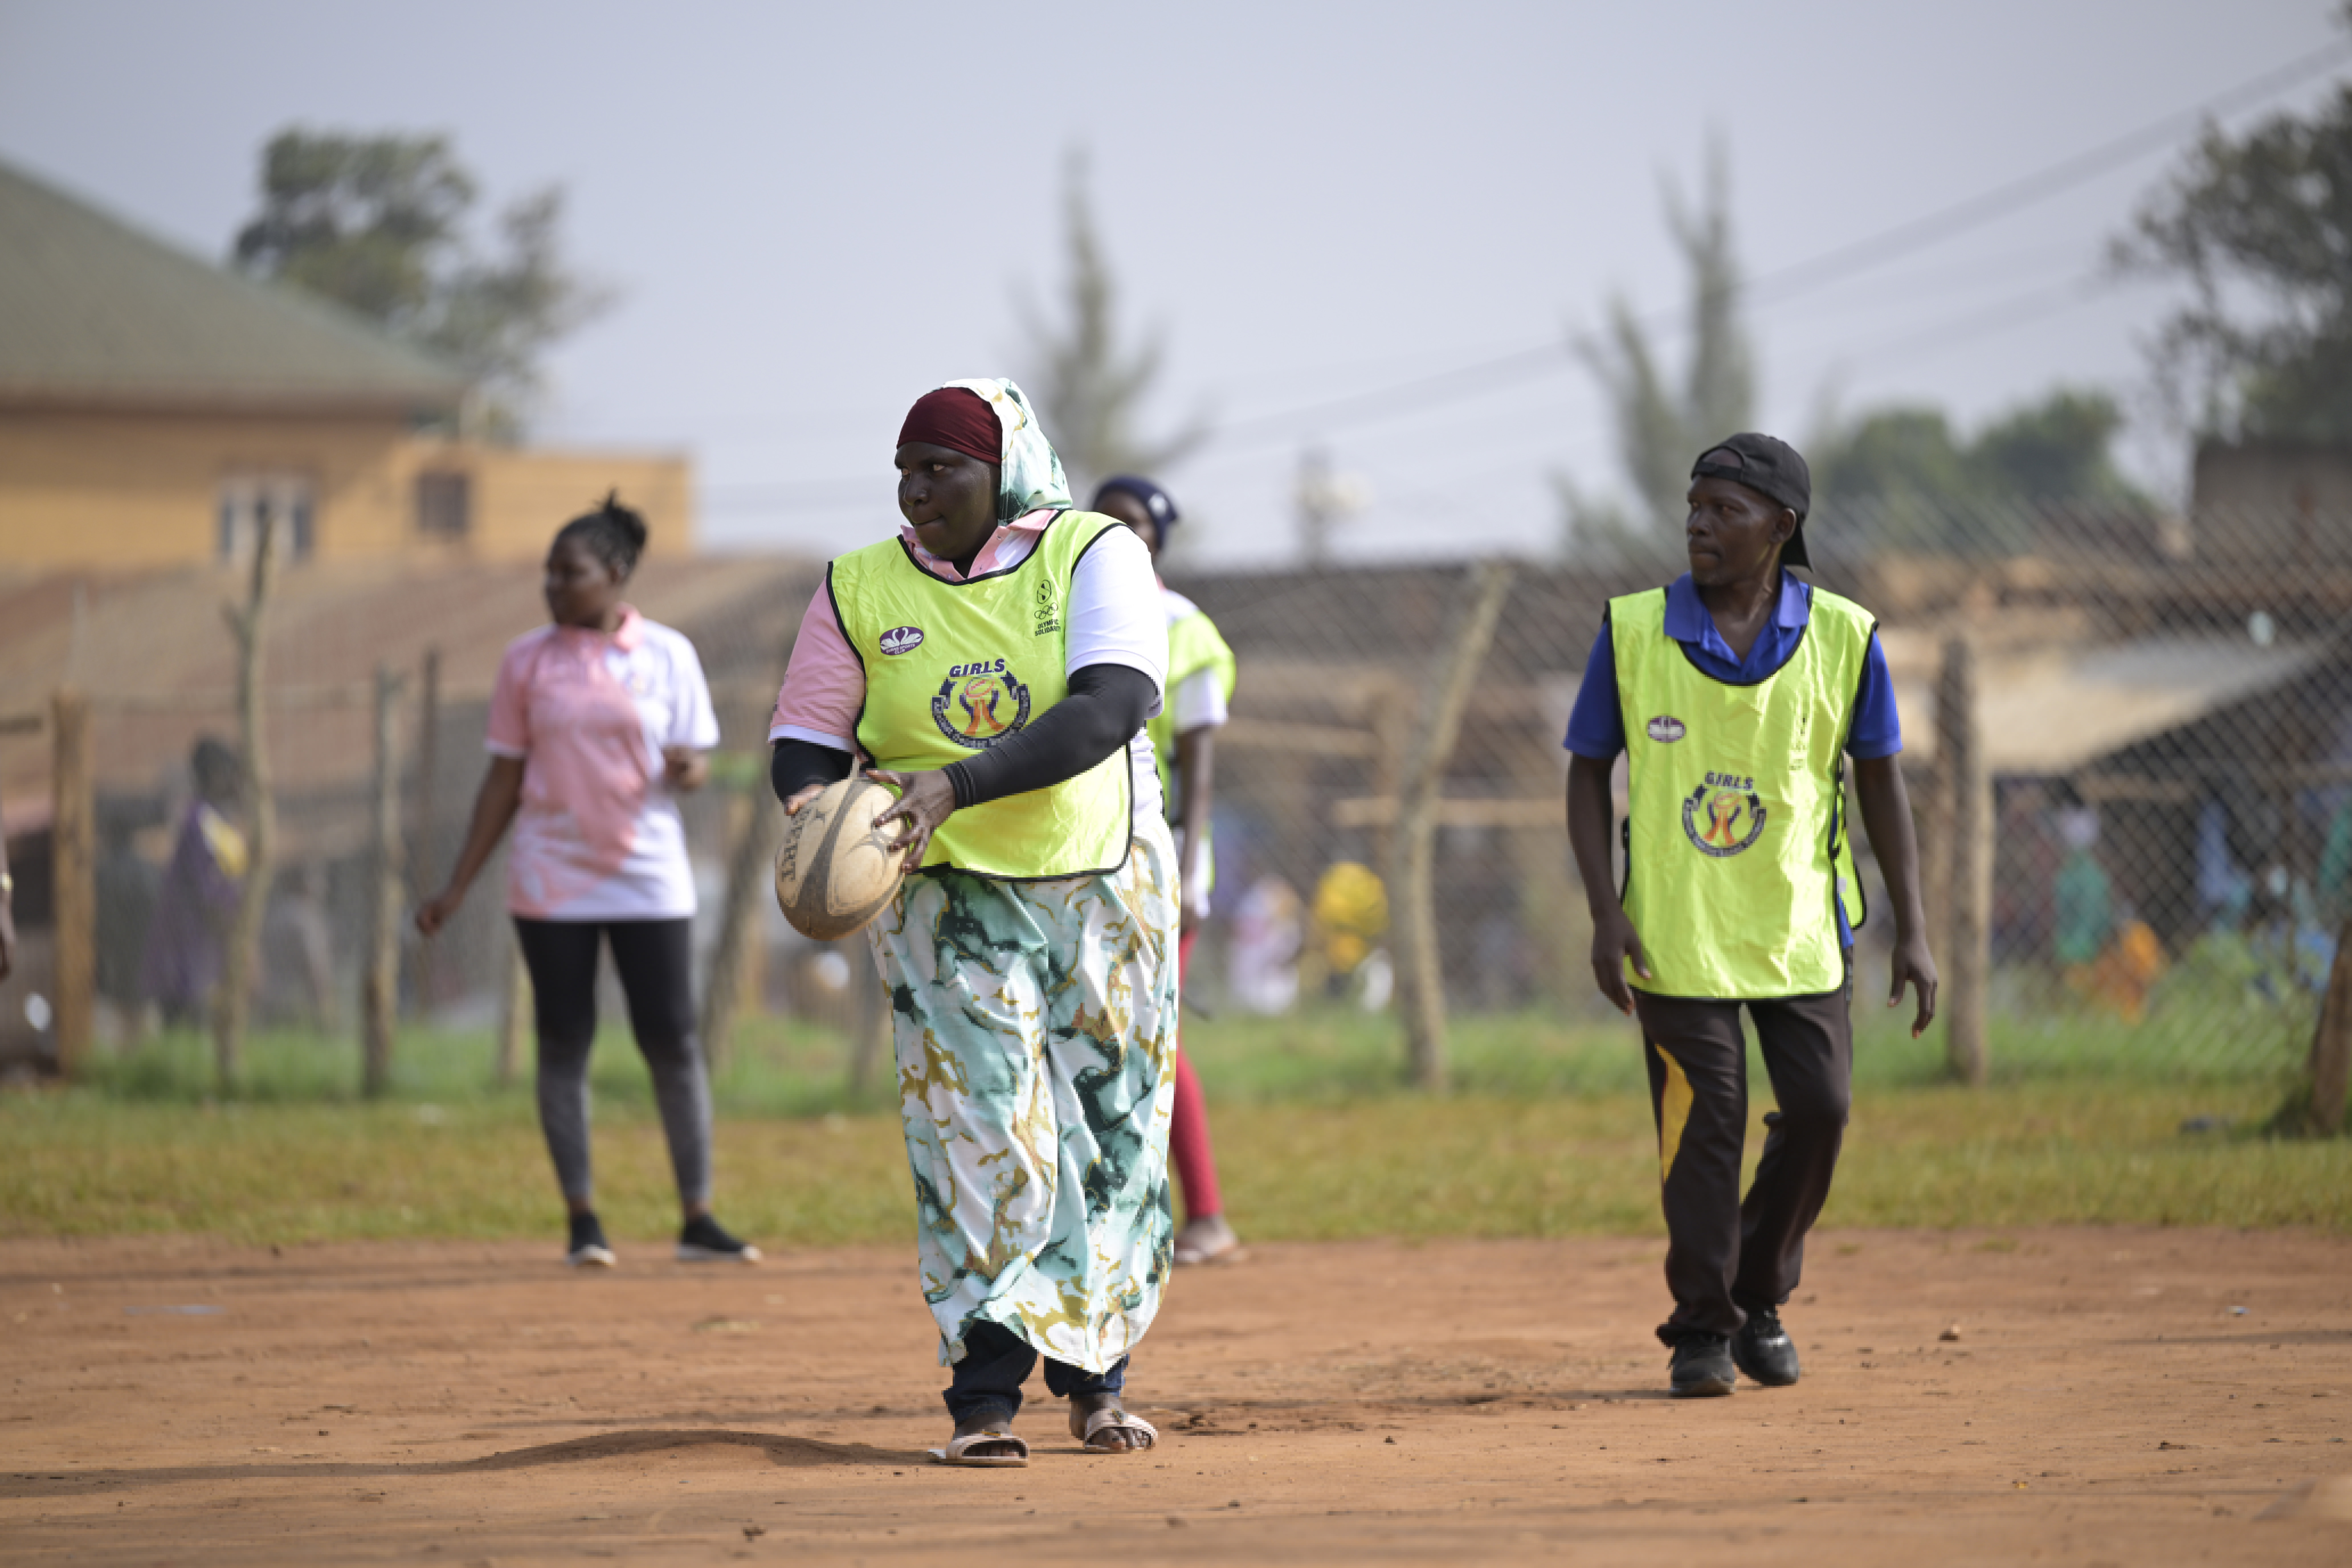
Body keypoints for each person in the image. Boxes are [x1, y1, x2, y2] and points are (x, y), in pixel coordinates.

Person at [768, 379, 1174, 1466]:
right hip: (946, 897)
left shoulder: (1093, 554)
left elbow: (1112, 704)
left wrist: (956, 780)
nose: (915, 488)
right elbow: (805, 741)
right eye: (903, 468)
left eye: (939, 466)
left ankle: (1098, 1385)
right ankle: (985, 1397)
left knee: (1106, 1128)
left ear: (1004, 470)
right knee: (977, 1130)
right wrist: (823, 819)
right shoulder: (856, 584)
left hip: (1097, 882)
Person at [1562, 433, 1936, 1399]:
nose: (1698, 524)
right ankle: (1701, 1328)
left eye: (1722, 510)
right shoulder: (1636, 628)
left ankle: (1758, 1292)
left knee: (1820, 1110)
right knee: (1706, 1125)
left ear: (1781, 526)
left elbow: (1883, 782)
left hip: (1800, 928)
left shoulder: (1846, 636)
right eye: (1691, 507)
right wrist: (1604, 914)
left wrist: (1916, 926)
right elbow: (1584, 770)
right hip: (1673, 933)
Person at [415, 494, 758, 1270]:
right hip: (552, 874)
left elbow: (697, 761)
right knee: (564, 1040)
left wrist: (689, 768)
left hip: (649, 874)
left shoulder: (667, 654)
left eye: (569, 573)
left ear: (616, 575)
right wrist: (457, 886)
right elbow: (502, 781)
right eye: (549, 572)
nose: (553, 585)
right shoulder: (526, 661)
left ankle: (698, 1218)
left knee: (671, 1039)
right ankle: (583, 1221)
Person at [1089, 473, 1243, 1267]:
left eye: (1134, 524)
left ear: (1160, 540)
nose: (1117, 534)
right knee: (1095, 1036)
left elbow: (1199, 762)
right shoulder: (1076, 611)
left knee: (1159, 1036)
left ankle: (1208, 1215)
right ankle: (1116, 1214)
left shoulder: (1183, 628)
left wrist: (1184, 869)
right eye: (1103, 520)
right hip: (1084, 856)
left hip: (1164, 861)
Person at [140, 738, 246, 1028]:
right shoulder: (199, 823)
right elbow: (210, 896)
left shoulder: (222, 823)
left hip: (211, 956)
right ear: (215, 774)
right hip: (186, 960)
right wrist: (238, 938)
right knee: (189, 1033)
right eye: (232, 773)